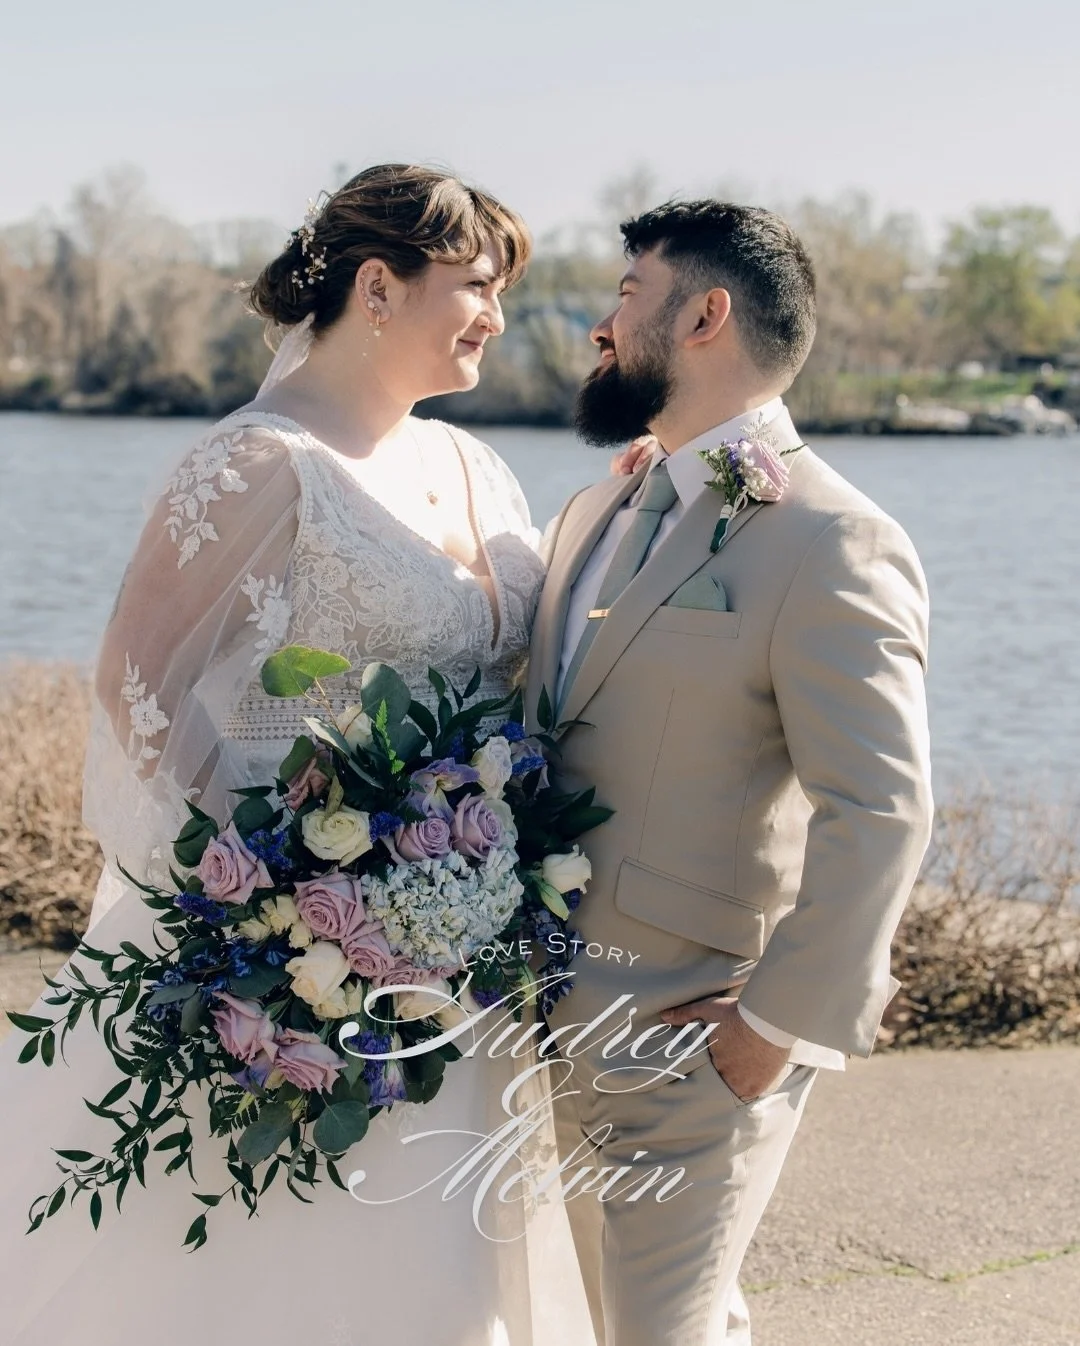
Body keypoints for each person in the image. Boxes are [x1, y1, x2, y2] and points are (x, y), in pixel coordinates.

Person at [0, 164, 594, 1346]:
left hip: (463, 953)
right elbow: (140, 687)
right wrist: (288, 903)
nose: (496, 318)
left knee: (445, 1273)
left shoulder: (479, 467)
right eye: (478, 286)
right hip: (302, 957)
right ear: (380, 284)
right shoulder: (260, 461)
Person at [526, 199, 934, 1346]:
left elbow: (882, 806)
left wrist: (776, 1026)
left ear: (705, 314)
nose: (602, 326)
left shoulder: (831, 539)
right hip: (538, 1027)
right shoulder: (596, 505)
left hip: (694, 1043)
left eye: (626, 295)